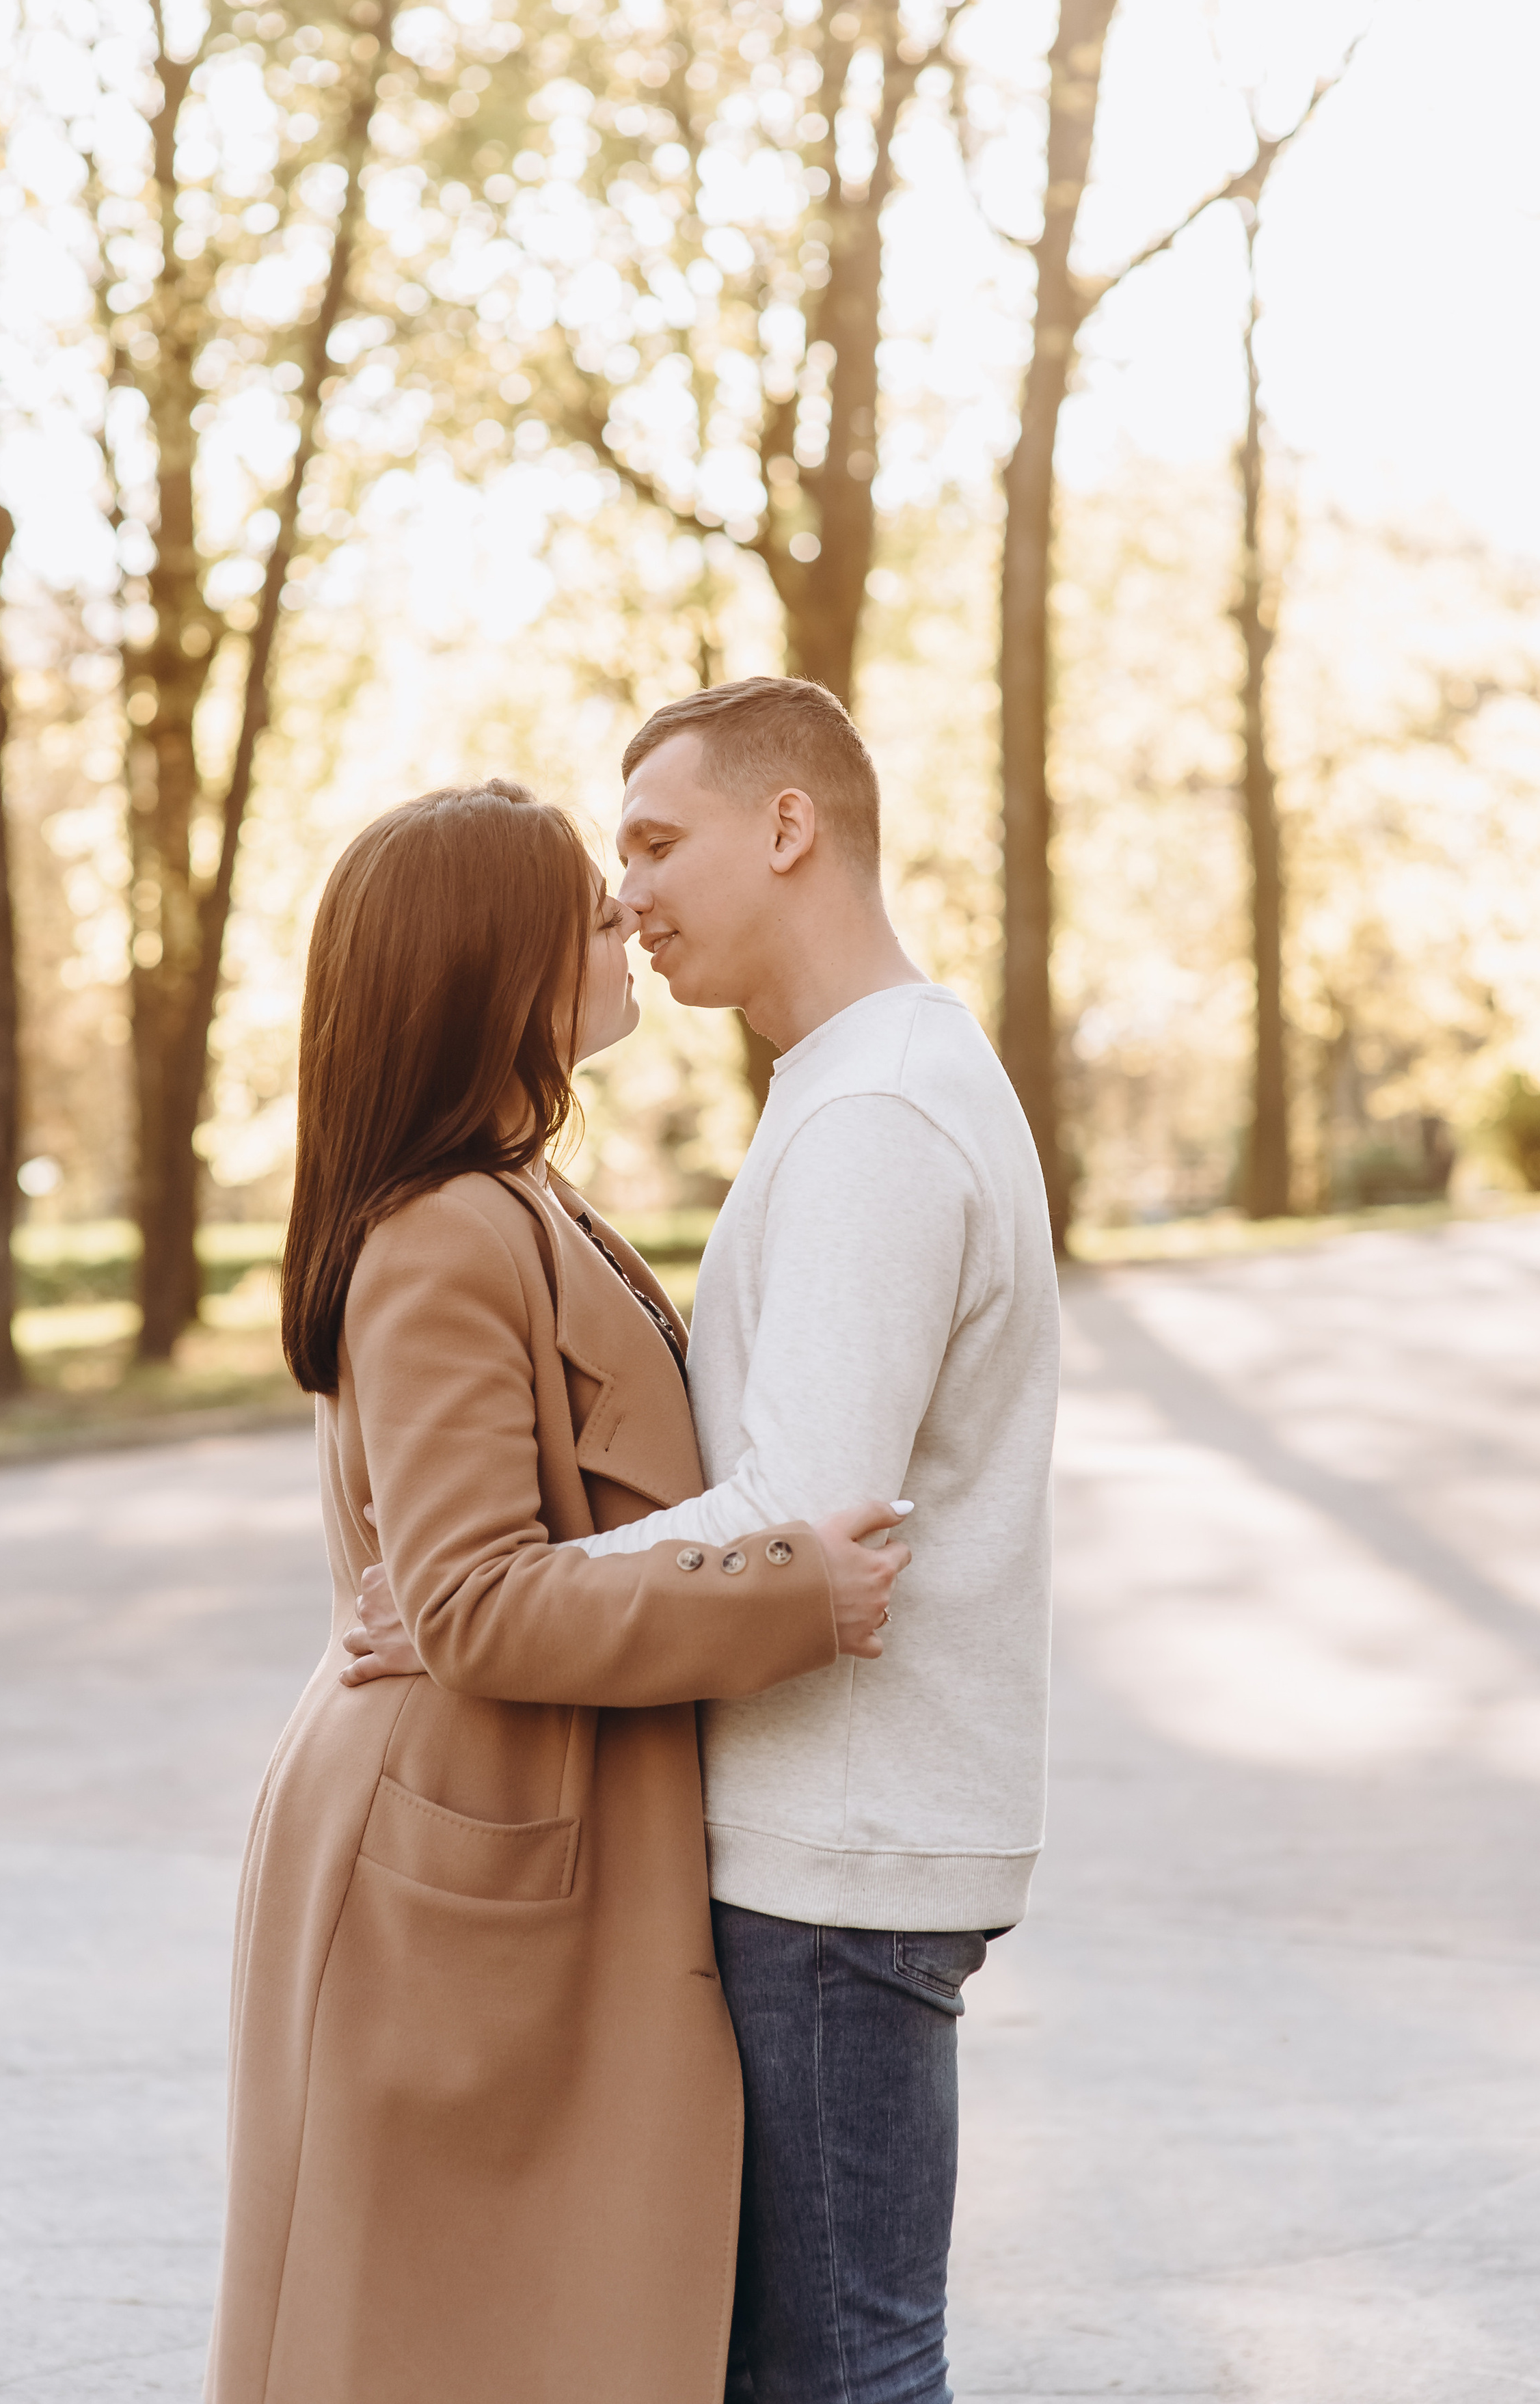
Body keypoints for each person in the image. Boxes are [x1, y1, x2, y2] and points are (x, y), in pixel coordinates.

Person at [347, 682, 1061, 2404]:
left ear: (789, 828)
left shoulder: (875, 1112)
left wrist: (475, 1607)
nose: (632, 889)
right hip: (830, 1832)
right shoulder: (853, 1083)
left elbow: (799, 1521)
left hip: (834, 1844)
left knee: (836, 2371)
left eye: (657, 840)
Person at [204, 779, 909, 2404]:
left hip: (506, 1820)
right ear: (490, 963)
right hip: (452, 1852)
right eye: (591, 913)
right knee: (439, 2340)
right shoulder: (448, 1231)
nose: (629, 927)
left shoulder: (515, 1192)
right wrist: (788, 1593)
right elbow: (471, 1606)